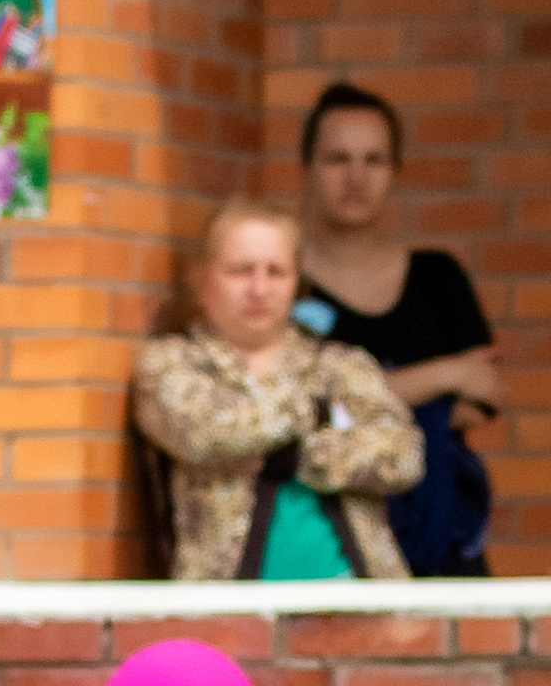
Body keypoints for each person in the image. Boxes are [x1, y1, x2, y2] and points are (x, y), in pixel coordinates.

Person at [131, 202, 423, 584]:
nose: (259, 288)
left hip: (359, 600)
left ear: (296, 283)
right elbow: (206, 434)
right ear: (200, 280)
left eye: (276, 271)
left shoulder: (341, 365)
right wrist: (318, 416)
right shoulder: (171, 364)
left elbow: (403, 455)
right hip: (223, 607)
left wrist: (294, 456)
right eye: (240, 271)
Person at [295, 78, 500, 578]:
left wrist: (361, 405)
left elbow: (485, 394)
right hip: (332, 533)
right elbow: (303, 406)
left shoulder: (438, 276)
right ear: (307, 169)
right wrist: (446, 374)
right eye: (338, 159)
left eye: (374, 160)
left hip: (441, 524)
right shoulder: (283, 282)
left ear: (396, 171)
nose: (356, 177)